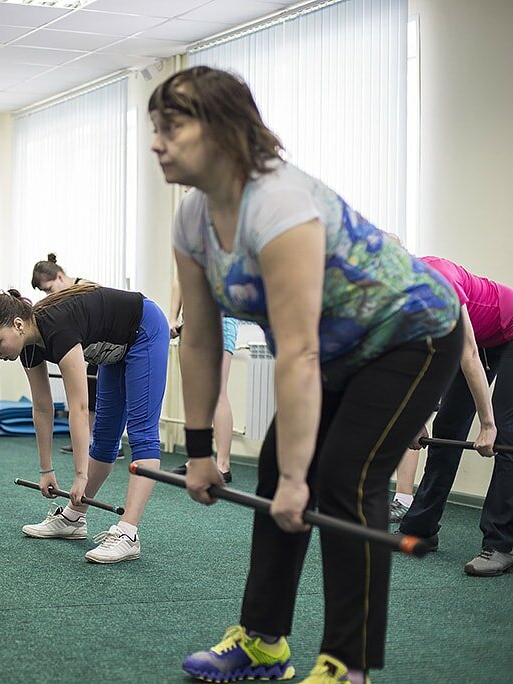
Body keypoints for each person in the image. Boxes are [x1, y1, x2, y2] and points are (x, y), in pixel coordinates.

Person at [151, 66, 462, 683]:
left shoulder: (279, 204)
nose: (157, 142)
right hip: (336, 350)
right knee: (271, 476)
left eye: (172, 126)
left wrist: (302, 478)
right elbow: (203, 339)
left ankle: (349, 666)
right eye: (154, 128)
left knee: (346, 480)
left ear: (223, 131)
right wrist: (198, 451)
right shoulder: (192, 218)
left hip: (411, 334)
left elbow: (295, 352)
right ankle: (264, 642)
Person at [0, 284, 169, 564]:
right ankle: (74, 518)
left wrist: (80, 476)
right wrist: (46, 470)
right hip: (113, 350)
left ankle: (128, 533)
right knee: (104, 439)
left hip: (145, 329)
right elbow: (42, 407)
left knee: (142, 434)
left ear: (18, 325)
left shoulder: (57, 328)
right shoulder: (28, 345)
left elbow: (78, 407)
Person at [395, 256, 512, 576]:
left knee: (506, 432)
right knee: (447, 425)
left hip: (509, 327)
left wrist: (488, 425)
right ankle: (420, 527)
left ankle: (501, 544)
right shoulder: (394, 301)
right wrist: (415, 420)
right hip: (485, 339)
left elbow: (468, 354)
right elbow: (417, 365)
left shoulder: (437, 282)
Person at [30, 253, 122, 460]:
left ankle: (110, 441)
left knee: (103, 396)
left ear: (60, 277)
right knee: (88, 395)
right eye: (44, 291)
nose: (48, 295)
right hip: (88, 351)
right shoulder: (61, 300)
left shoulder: (88, 288)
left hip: (107, 346)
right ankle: (86, 439)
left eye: (49, 288)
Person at [169, 272, 238, 482]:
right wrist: (173, 316)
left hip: (220, 318)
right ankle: (197, 460)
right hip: (191, 321)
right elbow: (181, 278)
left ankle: (222, 464)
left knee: (217, 391)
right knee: (195, 396)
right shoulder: (190, 242)